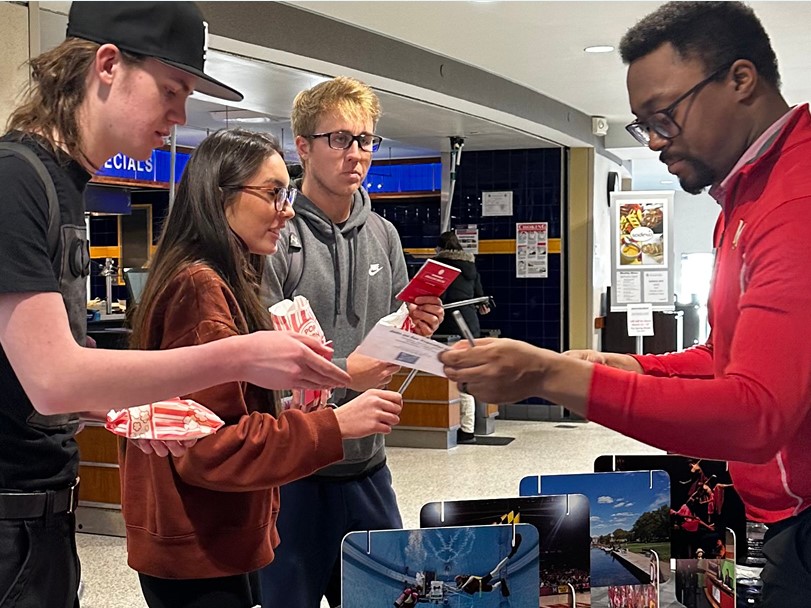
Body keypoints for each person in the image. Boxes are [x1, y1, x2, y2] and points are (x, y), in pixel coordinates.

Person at [439, 2, 811, 605]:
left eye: (665, 115)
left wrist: (550, 374)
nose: (658, 140)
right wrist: (637, 367)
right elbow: (728, 357)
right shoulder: (746, 193)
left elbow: (757, 414)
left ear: (741, 80)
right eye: (644, 125)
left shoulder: (795, 202)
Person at [0, 4, 350, 608]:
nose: (181, 115)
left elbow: (40, 386)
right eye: (172, 89)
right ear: (107, 65)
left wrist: (139, 409)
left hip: (42, 512)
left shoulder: (61, 188)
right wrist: (240, 356)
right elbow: (53, 380)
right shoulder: (17, 180)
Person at [121, 128, 402, 608]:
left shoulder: (216, 278)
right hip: (202, 547)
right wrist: (334, 424)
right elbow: (211, 448)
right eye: (273, 194)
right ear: (220, 197)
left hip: (215, 539)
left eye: (286, 193)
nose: (286, 210)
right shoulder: (200, 289)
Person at [259, 76, 444, 607]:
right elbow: (262, 359)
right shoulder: (277, 239)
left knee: (389, 600)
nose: (356, 154)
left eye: (365, 140)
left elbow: (393, 343)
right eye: (339, 139)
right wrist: (349, 373)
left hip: (368, 469)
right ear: (302, 147)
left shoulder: (385, 235)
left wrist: (418, 330)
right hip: (293, 472)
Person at [432, 230, 489, 444]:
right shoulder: (470, 267)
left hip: (448, 324)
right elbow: (479, 296)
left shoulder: (439, 266)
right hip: (469, 324)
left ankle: (462, 430)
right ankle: (468, 428)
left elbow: (438, 296)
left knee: (452, 379)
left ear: (440, 248)